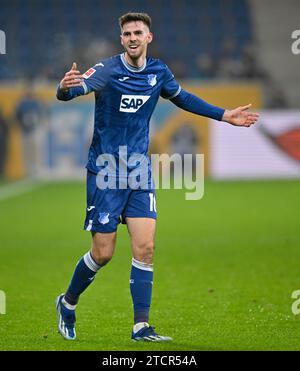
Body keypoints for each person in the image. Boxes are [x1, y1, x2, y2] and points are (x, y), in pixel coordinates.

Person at [55, 12, 259, 342]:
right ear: (121, 39)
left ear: (149, 37)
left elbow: (183, 98)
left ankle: (141, 327)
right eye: (127, 33)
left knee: (146, 247)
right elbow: (73, 90)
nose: (132, 37)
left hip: (139, 172)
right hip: (105, 172)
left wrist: (224, 115)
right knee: (103, 253)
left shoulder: (158, 72)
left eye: (138, 32)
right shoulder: (107, 70)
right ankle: (67, 302)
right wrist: (64, 90)